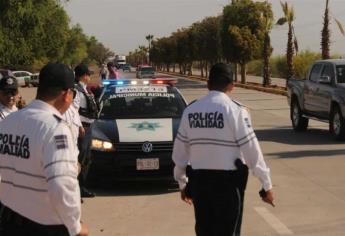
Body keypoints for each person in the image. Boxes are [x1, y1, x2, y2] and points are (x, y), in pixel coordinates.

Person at [172, 63, 274, 236]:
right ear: (231, 86)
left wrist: (183, 183)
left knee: (204, 231)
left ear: (208, 84)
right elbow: (252, 152)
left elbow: (180, 153)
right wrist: (266, 184)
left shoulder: (190, 111)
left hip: (200, 185)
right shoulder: (236, 111)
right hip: (227, 186)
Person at [0, 63, 88, 236]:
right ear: (67, 95)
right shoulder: (55, 128)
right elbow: (62, 184)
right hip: (45, 226)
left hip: (9, 220)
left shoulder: (9, 122)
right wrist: (75, 227)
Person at [74, 63, 98, 198]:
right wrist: (79, 126)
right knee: (80, 159)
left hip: (89, 127)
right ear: (83, 76)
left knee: (87, 158)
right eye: (88, 74)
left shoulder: (85, 89)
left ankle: (82, 187)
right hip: (82, 128)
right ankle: (77, 189)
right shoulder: (76, 90)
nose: (90, 76)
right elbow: (73, 111)